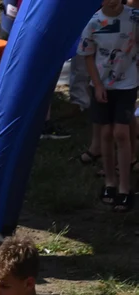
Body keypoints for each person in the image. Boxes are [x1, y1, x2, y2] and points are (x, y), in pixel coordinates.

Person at [78, 0, 139, 211]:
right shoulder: (94, 23)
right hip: (102, 86)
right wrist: (96, 85)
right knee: (105, 134)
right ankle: (110, 182)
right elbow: (87, 56)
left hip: (127, 84)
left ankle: (125, 187)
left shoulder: (134, 17)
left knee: (121, 133)